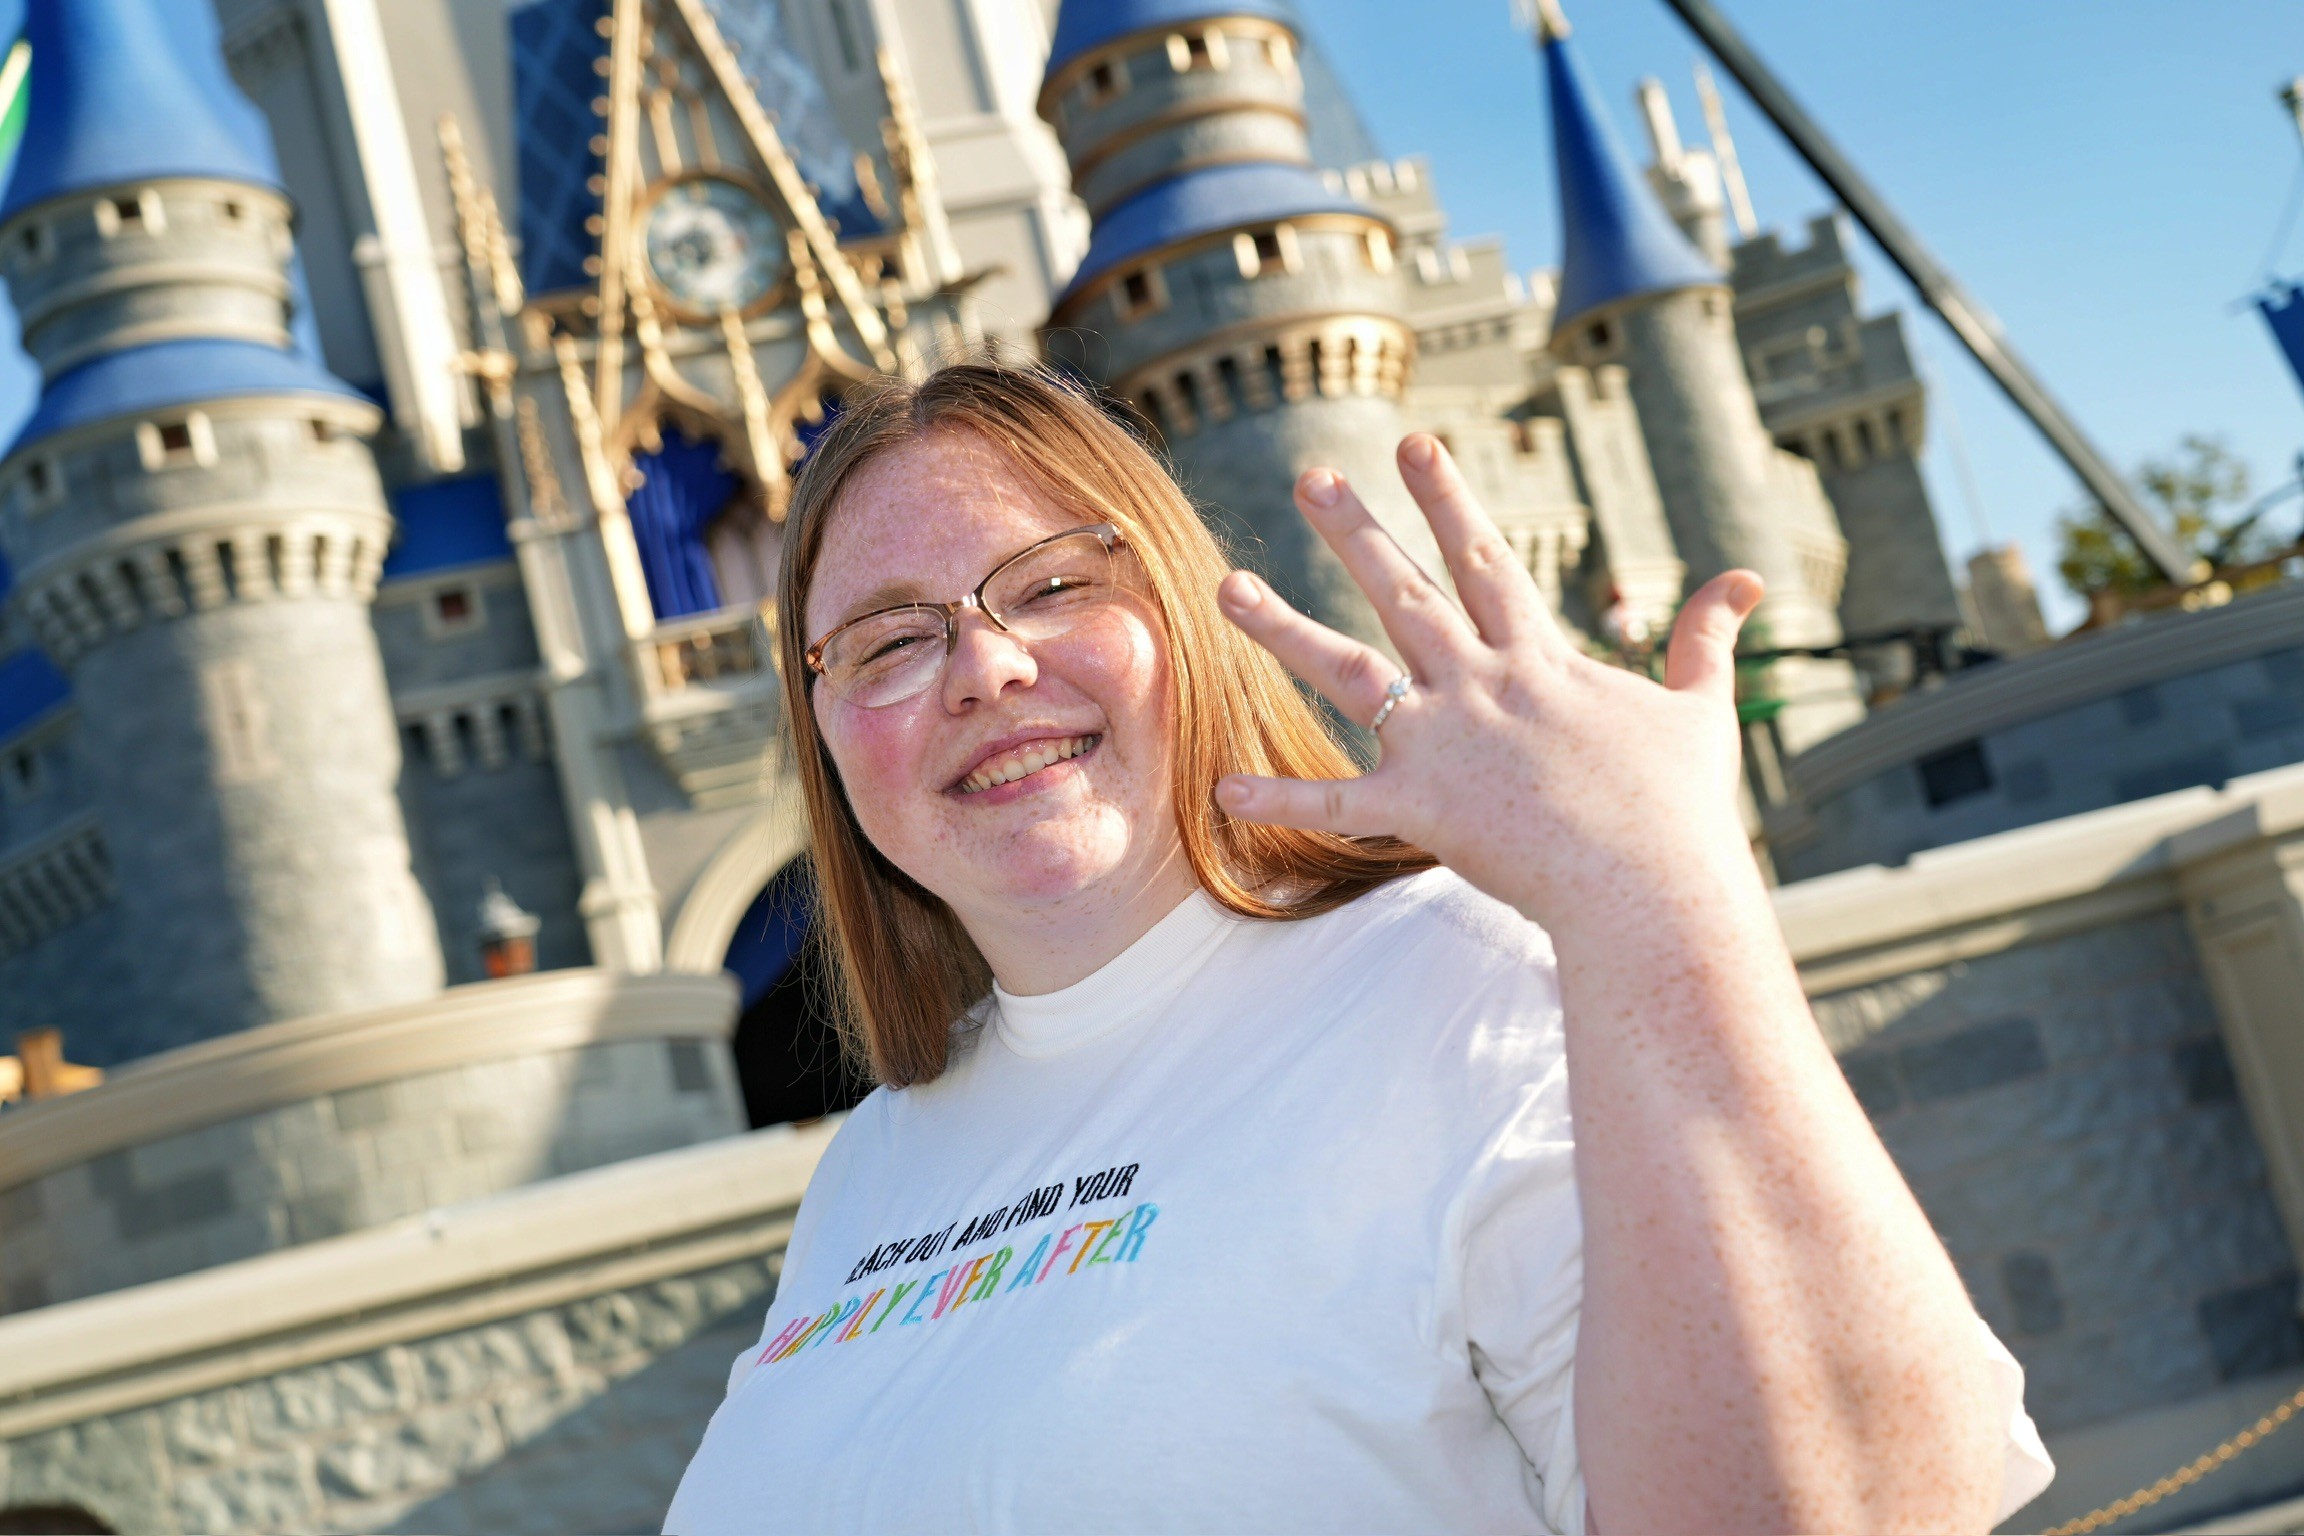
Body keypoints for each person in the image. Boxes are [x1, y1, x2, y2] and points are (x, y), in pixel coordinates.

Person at [664, 363, 2052, 1534]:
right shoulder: (872, 1167)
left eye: (1050, 583)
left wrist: (1658, 895)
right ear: (827, 729)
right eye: (888, 640)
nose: (986, 666)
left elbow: (1866, 1507)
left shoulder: (1477, 989)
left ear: (1189, 610)